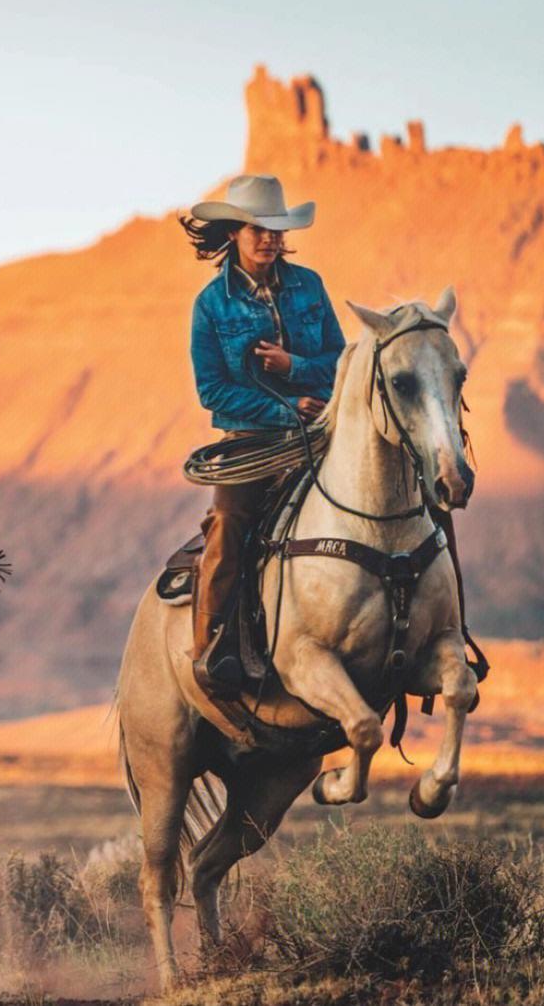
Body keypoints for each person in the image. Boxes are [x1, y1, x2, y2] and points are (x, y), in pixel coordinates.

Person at [183, 175, 345, 697]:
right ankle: (208, 650)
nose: (271, 239)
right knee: (228, 524)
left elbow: (342, 361)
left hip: (319, 434)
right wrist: (286, 406)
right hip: (251, 441)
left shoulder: (310, 285)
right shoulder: (211, 306)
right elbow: (214, 392)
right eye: (259, 229)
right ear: (234, 232)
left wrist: (294, 365)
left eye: (277, 229)